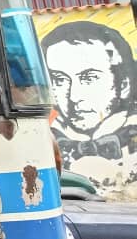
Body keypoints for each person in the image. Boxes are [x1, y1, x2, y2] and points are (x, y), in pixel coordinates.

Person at [41, 21, 137, 187]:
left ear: (124, 84)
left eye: (89, 78)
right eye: (60, 79)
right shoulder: (37, 139)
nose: (74, 97)